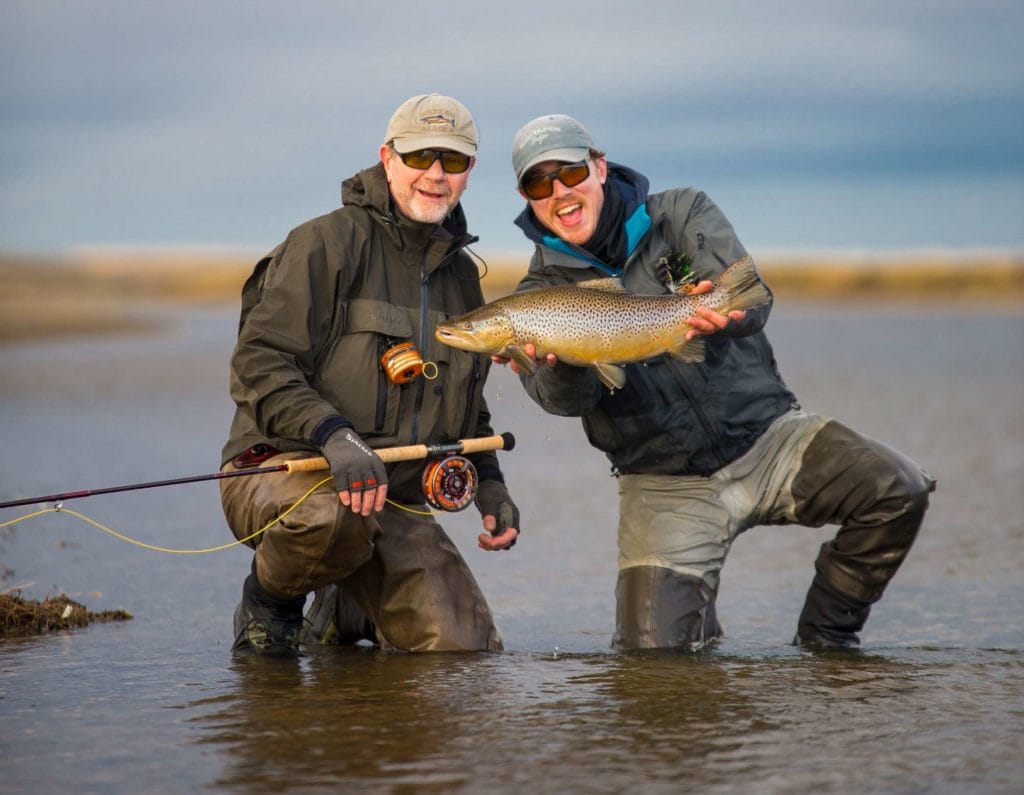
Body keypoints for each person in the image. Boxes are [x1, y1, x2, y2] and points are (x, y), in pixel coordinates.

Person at [500, 113, 935, 650]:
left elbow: (754, 300)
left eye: (569, 173)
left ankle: (827, 642)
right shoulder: (534, 298)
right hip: (662, 483)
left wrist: (724, 314)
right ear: (527, 197)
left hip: (770, 438)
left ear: (599, 167)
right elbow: (561, 403)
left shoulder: (680, 212)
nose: (559, 192)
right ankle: (696, 632)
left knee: (898, 489)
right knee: (654, 667)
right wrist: (563, 362)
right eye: (539, 183)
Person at [220, 93, 520, 657]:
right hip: (287, 473)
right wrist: (335, 434)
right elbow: (257, 363)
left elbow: (468, 406)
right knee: (331, 523)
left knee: (464, 653)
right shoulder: (325, 243)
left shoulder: (462, 277)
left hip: (393, 501)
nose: (435, 175)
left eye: (452, 162)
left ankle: (343, 603)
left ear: (469, 172)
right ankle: (270, 603)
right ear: (387, 157)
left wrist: (491, 484)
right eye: (420, 157)